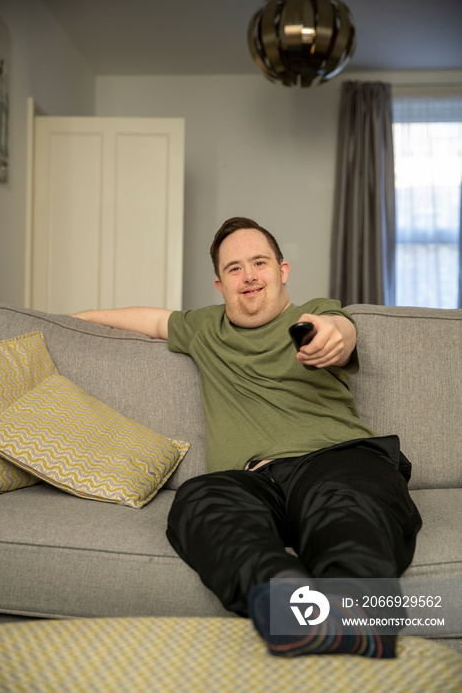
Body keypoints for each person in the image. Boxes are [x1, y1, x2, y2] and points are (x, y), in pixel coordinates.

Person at [73, 216, 422, 659]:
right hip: (252, 482)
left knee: (345, 505)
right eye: (235, 268)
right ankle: (290, 610)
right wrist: (59, 320)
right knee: (200, 497)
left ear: (282, 270)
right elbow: (147, 319)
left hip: (336, 459)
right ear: (220, 284)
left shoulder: (312, 315)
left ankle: (353, 615)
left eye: (260, 262)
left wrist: (332, 339)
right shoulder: (204, 328)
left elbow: (340, 330)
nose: (250, 275)